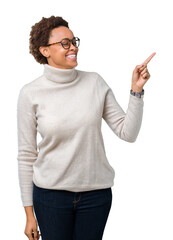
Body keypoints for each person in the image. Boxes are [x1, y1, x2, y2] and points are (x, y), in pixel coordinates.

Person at [16, 15, 156, 240]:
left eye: (74, 41)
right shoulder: (30, 93)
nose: (73, 47)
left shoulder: (95, 82)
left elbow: (127, 133)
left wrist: (136, 91)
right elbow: (26, 155)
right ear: (45, 51)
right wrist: (29, 213)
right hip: (50, 197)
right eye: (64, 43)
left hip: (96, 196)